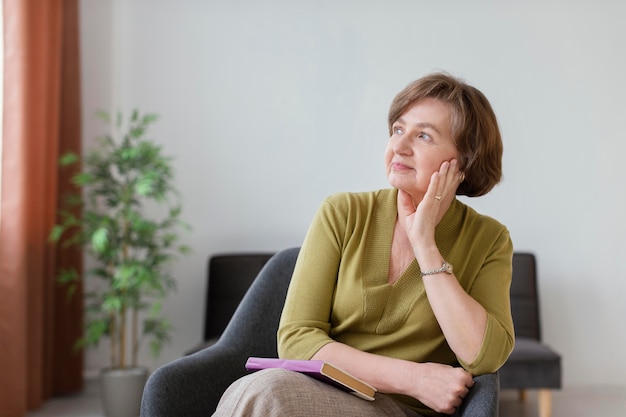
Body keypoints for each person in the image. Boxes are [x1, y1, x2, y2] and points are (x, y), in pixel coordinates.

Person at [213, 72, 515, 417]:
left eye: (424, 136)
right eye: (398, 130)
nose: (399, 146)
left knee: (267, 394)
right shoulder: (342, 213)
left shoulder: (489, 239)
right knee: (266, 392)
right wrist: (412, 378)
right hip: (320, 394)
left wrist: (425, 245)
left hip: (404, 412)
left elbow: (483, 355)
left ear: (464, 160)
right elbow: (297, 339)